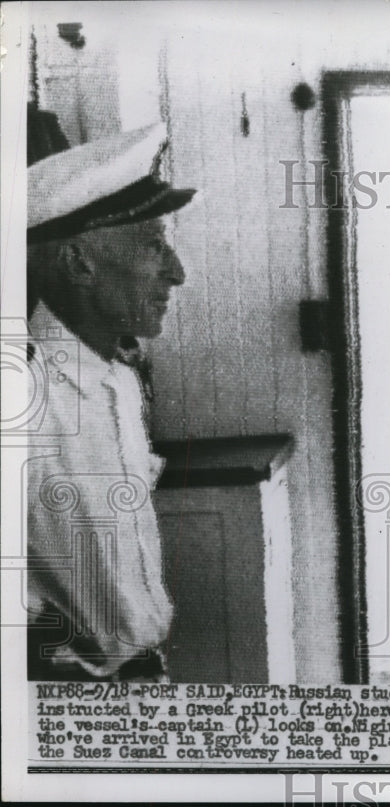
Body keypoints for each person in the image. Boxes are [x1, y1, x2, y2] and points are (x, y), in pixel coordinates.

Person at [25, 122, 195, 681]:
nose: (176, 271)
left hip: (139, 673)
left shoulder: (117, 379)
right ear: (78, 264)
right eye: (152, 246)